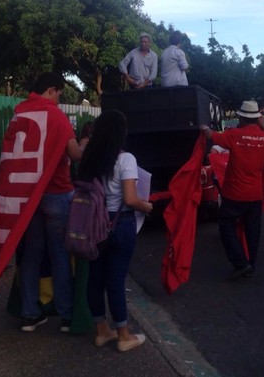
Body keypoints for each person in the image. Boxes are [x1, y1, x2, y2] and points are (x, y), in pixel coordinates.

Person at [0, 72, 84, 333]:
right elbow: (75, 155)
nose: (60, 97)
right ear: (51, 89)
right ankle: (67, 315)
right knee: (60, 255)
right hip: (57, 193)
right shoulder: (57, 116)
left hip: (27, 195)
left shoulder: (19, 114)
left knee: (31, 255)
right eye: (59, 92)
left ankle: (29, 314)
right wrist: (84, 145)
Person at [77, 110, 153, 352]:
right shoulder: (125, 159)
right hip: (119, 224)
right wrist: (147, 206)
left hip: (93, 224)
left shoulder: (89, 157)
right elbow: (130, 199)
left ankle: (102, 331)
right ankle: (123, 335)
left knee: (95, 277)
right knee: (116, 280)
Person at [201, 100, 264, 279]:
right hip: (255, 193)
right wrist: (263, 126)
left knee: (226, 224)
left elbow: (209, 135)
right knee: (253, 230)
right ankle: (251, 263)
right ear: (257, 118)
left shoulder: (233, 135)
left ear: (242, 117)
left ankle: (240, 262)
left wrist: (204, 127)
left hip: (234, 193)